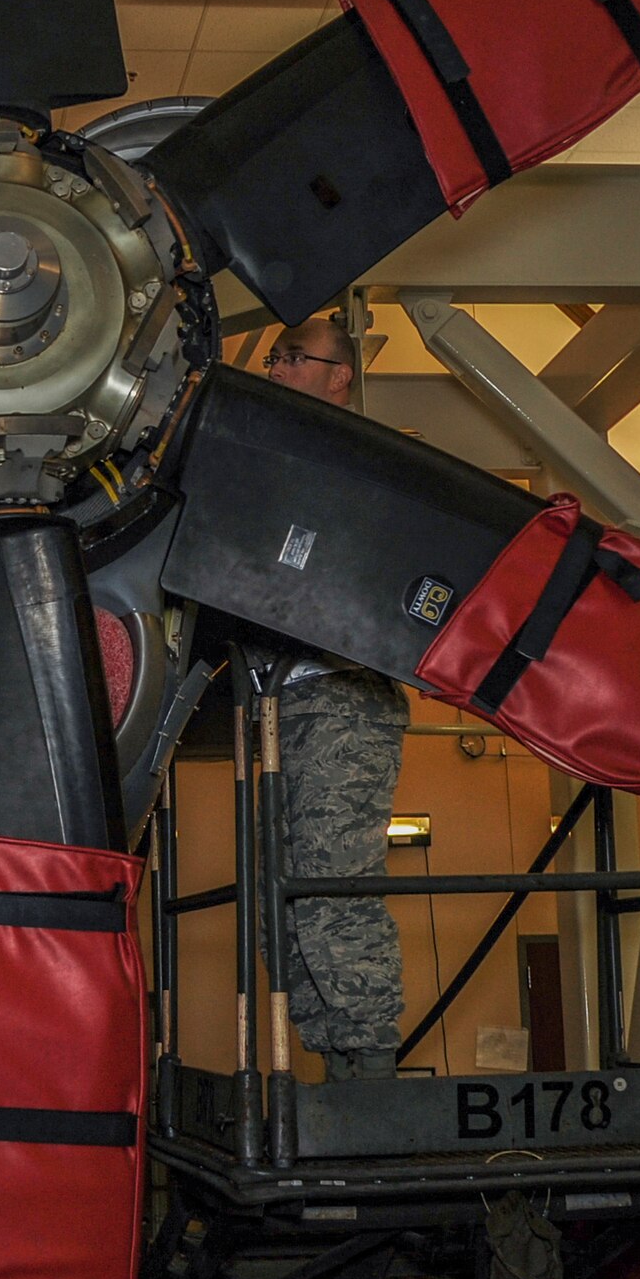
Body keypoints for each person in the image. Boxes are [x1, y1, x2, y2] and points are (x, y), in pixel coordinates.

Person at [264, 314, 411, 1079]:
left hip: (342, 695)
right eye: (273, 357)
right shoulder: (277, 465)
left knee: (330, 882)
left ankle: (374, 1083)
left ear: (339, 375)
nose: (278, 368)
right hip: (278, 703)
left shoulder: (364, 465)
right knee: (284, 901)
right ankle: (340, 1082)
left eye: (296, 357)